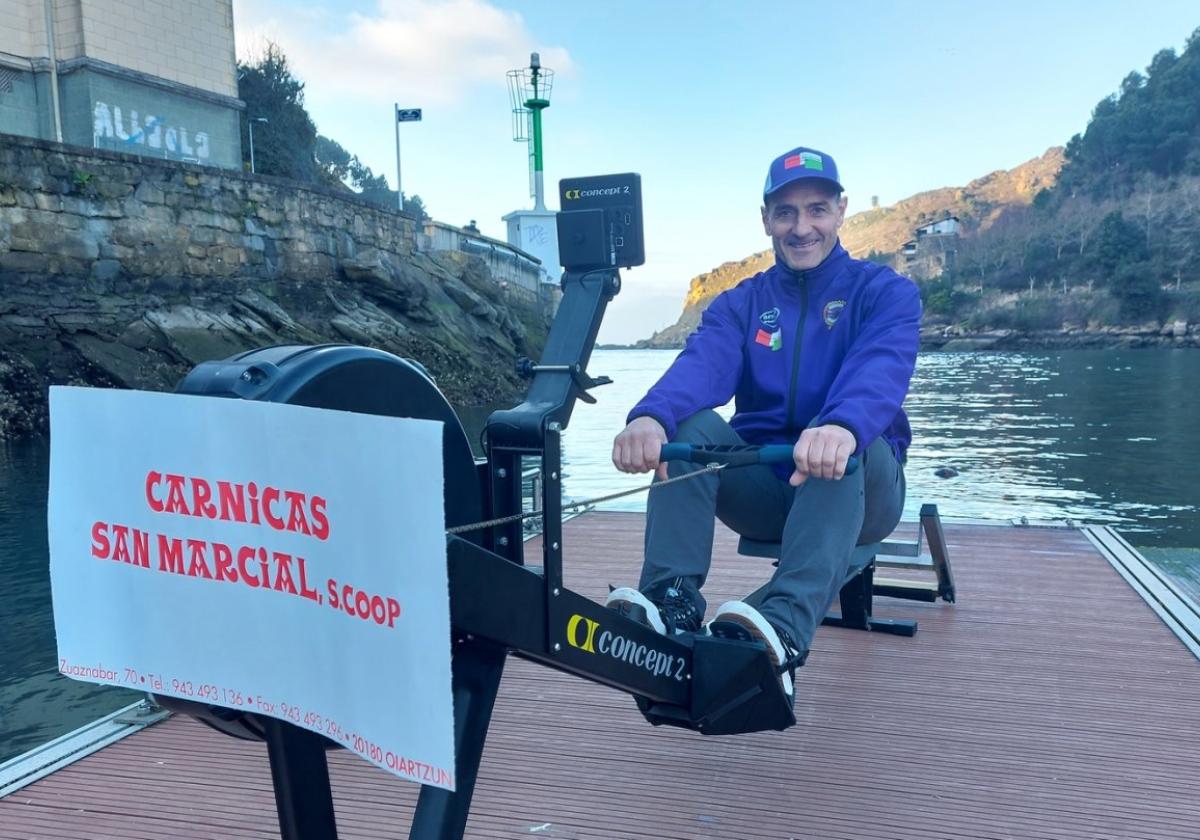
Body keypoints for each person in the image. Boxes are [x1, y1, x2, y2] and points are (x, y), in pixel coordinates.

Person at [606, 145, 921, 701]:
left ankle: (784, 632)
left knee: (844, 450)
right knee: (688, 429)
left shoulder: (885, 293)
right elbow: (701, 366)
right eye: (786, 213)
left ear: (842, 210)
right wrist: (650, 418)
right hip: (767, 483)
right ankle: (671, 603)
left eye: (817, 209)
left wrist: (841, 425)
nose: (802, 227)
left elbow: (880, 368)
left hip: (860, 485)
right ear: (766, 219)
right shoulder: (740, 304)